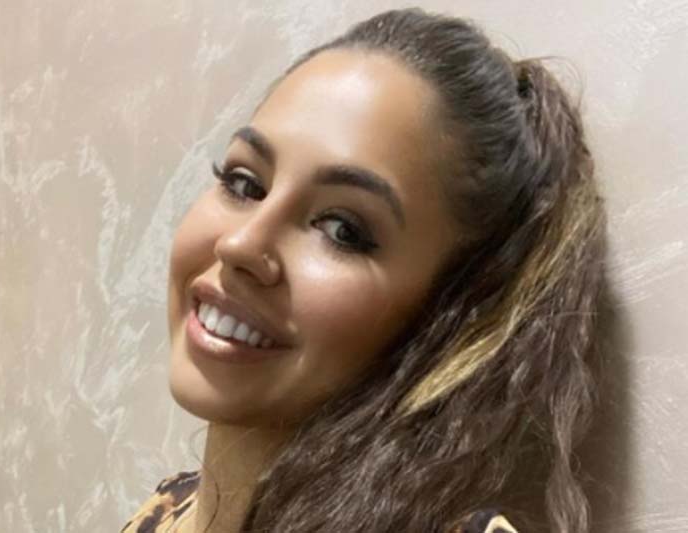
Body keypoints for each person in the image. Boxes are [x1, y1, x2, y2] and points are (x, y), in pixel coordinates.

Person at [123, 7, 606, 533]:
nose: (241, 244)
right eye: (244, 183)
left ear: (457, 313)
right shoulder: (167, 509)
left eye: (343, 230)